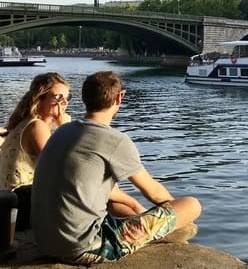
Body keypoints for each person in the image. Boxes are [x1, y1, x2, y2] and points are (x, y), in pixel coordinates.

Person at [32, 71, 201, 264]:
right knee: (192, 205)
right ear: (120, 97)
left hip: (45, 241)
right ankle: (166, 234)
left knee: (117, 205)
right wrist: (177, 214)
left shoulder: (63, 130)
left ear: (84, 98)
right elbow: (153, 192)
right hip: (83, 247)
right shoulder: (115, 140)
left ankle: (163, 232)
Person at [0, 72, 72, 230]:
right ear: (39, 99)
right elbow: (60, 168)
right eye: (58, 98)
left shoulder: (26, 123)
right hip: (20, 203)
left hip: (12, 202)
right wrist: (65, 129)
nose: (65, 102)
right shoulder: (36, 127)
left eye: (67, 97)